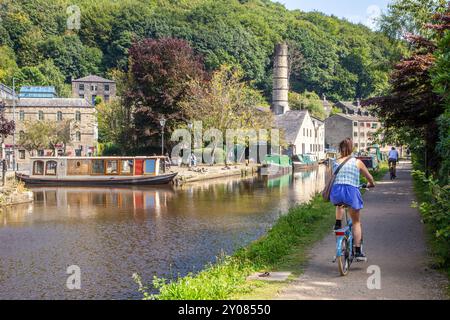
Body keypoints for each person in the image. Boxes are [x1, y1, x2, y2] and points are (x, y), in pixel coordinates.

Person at [331, 138, 375, 261]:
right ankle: (357, 251)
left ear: (340, 149)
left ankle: (338, 223)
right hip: (351, 191)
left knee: (339, 204)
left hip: (336, 192)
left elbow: (334, 179)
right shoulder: (357, 162)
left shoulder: (334, 162)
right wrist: (371, 184)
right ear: (352, 149)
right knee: (356, 222)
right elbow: (369, 177)